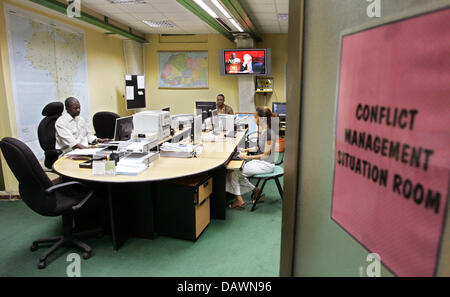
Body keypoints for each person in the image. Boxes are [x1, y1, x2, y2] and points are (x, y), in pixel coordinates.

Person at [226, 106, 277, 209]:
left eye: (255, 117)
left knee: (234, 172)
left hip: (266, 165)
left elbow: (266, 154)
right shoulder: (264, 130)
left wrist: (247, 157)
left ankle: (240, 200)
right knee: (235, 172)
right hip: (261, 163)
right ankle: (257, 192)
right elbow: (259, 147)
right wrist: (247, 150)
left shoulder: (269, 133)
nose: (254, 119)